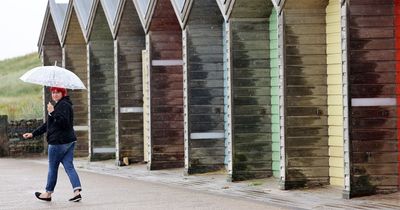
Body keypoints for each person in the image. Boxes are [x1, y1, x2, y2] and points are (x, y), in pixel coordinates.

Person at [23, 87, 82, 202]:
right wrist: (33, 134)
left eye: (57, 92)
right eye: (53, 92)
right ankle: (77, 192)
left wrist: (52, 112)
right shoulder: (61, 105)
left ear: (63, 93)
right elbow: (48, 125)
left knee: (52, 168)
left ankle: (48, 193)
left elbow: (64, 123)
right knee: (69, 166)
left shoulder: (63, 105)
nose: (54, 94)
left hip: (58, 143)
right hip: (68, 142)